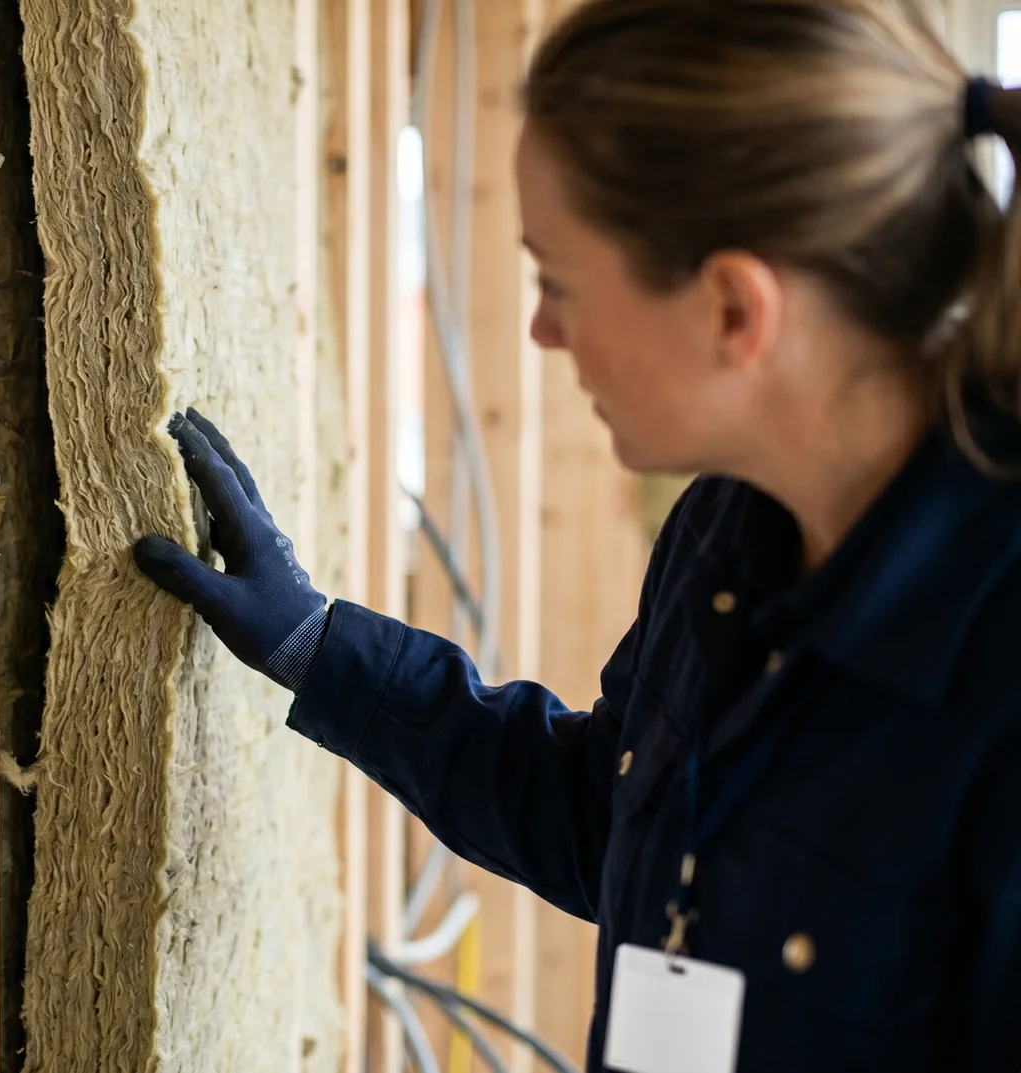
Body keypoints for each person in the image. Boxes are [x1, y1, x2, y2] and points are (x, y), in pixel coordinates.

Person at [132, 1, 1021, 1070]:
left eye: (557, 281)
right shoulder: (728, 524)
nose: (541, 328)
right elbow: (608, 818)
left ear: (733, 311)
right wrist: (318, 646)